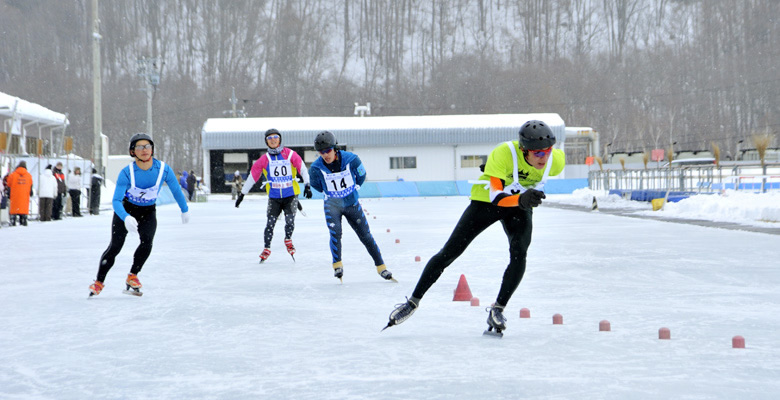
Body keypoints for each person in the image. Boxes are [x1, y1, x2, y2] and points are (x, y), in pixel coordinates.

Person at [384, 120, 565, 336]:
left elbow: (529, 180)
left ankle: (498, 309)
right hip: (487, 203)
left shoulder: (556, 161)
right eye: (538, 153)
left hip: (519, 206)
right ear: (524, 150)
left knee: (520, 253)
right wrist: (516, 194)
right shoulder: (504, 153)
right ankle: (412, 302)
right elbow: (497, 197)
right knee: (450, 252)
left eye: (547, 151)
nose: (543, 158)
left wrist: (520, 200)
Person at [88, 133, 190, 297]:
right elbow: (116, 201)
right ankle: (99, 282)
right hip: (126, 210)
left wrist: (184, 209)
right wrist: (126, 216)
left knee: (147, 242)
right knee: (115, 246)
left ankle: (133, 275)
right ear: (132, 151)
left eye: (147, 146)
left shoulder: (163, 169)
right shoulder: (127, 172)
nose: (144, 150)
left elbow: (176, 190)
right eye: (140, 147)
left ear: (152, 149)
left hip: (148, 212)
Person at [308, 131, 393, 282]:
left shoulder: (352, 159)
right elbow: (316, 185)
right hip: (332, 205)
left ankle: (381, 267)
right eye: (321, 152)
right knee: (335, 233)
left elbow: (361, 175)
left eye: (328, 150)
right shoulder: (315, 167)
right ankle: (337, 265)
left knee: (365, 235)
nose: (325, 155)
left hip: (351, 203)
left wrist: (355, 187)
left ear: (335, 148)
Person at [235, 129, 312, 263]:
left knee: (290, 221)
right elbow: (252, 178)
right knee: (270, 224)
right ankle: (267, 248)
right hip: (274, 197)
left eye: (276, 137)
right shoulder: (264, 159)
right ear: (266, 141)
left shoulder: (290, 154)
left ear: (280, 139)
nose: (273, 140)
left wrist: (307, 185)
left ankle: (288, 239)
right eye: (270, 138)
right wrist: (242, 194)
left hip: (290, 196)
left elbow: (302, 169)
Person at [7, 161, 34, 226]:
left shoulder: (13, 175)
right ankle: (23, 221)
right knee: (23, 210)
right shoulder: (29, 176)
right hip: (24, 197)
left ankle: (13, 221)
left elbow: (8, 184)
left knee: (14, 210)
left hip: (15, 196)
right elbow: (31, 185)